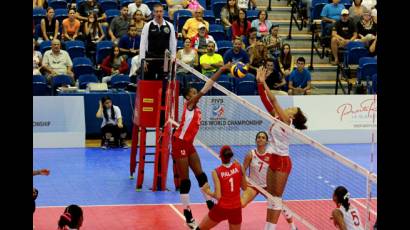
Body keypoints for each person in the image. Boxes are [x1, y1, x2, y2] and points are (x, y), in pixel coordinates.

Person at [172, 63, 232, 228]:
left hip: (189, 144)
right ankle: (188, 215)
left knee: (201, 176)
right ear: (187, 97)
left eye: (194, 92)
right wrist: (220, 69)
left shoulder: (196, 109)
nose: (195, 94)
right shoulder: (190, 105)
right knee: (186, 182)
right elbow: (206, 87)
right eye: (192, 93)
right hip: (179, 143)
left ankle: (211, 205)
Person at [255, 66, 307, 230]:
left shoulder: (287, 122)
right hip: (274, 160)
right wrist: (259, 84)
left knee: (277, 197)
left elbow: (274, 100)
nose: (289, 107)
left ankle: (270, 228)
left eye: (292, 108)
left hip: (283, 162)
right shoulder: (278, 117)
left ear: (292, 115)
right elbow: (265, 101)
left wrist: (265, 83)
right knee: (272, 197)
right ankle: (271, 225)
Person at [241, 132, 296, 229]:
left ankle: (292, 226)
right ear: (256, 140)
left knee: (281, 205)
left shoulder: (271, 155)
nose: (260, 139)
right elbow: (242, 171)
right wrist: (245, 182)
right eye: (258, 137)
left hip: (268, 186)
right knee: (241, 203)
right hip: (253, 185)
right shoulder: (251, 154)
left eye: (263, 137)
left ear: (266, 141)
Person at [197, 145, 247, 230]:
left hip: (222, 209)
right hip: (236, 209)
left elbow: (218, 196)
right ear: (231, 156)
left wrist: (207, 191)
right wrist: (242, 172)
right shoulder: (239, 167)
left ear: (220, 156)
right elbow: (245, 187)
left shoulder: (216, 172)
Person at [139, 3, 177, 80]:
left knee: (163, 84)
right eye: (156, 11)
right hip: (150, 58)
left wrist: (172, 61)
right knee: (149, 82)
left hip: (165, 60)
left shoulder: (170, 26)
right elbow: (142, 44)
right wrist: (142, 61)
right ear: (153, 13)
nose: (158, 13)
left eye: (160, 11)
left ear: (163, 12)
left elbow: (173, 44)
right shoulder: (148, 25)